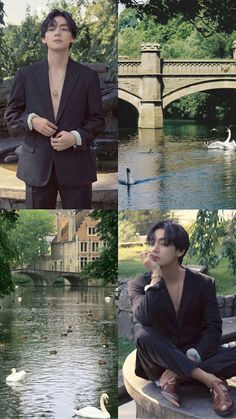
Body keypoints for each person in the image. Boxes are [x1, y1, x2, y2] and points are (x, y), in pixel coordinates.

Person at [128, 220, 236, 417]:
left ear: (180, 250)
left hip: (195, 353)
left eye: (163, 243)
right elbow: (143, 316)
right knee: (142, 334)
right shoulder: (138, 284)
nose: (154, 249)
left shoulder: (203, 284)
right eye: (152, 242)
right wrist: (155, 277)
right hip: (158, 361)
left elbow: (213, 329)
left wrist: (188, 359)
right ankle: (211, 381)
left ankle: (178, 377)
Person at [5, 10, 104, 209]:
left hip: (77, 167)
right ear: (44, 38)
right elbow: (11, 115)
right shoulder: (26, 75)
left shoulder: (88, 77)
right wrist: (33, 121)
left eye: (64, 28)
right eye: (51, 29)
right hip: (37, 167)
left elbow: (98, 119)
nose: (57, 33)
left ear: (72, 37)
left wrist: (75, 137)